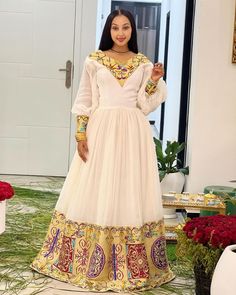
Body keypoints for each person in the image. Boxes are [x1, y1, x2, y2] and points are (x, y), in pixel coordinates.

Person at [31, 9, 174, 292]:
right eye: (115, 28)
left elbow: (145, 105)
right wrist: (80, 133)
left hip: (134, 132)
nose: (121, 33)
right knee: (97, 185)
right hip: (101, 129)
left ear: (133, 31)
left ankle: (131, 264)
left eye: (126, 28)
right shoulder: (94, 61)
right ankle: (86, 259)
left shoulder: (143, 63)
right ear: (108, 30)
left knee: (128, 187)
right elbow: (85, 98)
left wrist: (154, 79)